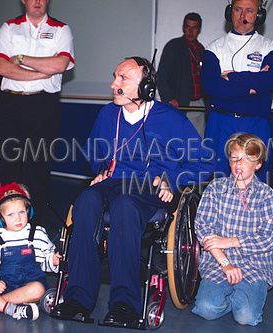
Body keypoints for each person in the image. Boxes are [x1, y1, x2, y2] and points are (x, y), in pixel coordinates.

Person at [50, 57, 214, 326]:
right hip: (115, 181)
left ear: (147, 86)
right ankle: (77, 299)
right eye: (115, 76)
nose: (114, 84)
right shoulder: (108, 115)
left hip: (148, 188)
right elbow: (93, 155)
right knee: (87, 199)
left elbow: (204, 163)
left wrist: (170, 179)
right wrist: (102, 168)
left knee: (125, 206)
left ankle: (124, 304)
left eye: (123, 79)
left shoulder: (169, 119)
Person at [0, 0, 75, 227]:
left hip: (43, 106)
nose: (37, 1)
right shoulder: (9, 27)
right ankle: (1, 226)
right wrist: (40, 73)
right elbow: (0, 67)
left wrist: (20, 59)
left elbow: (60, 64)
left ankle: (35, 227)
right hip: (10, 104)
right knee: (6, 166)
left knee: (37, 168)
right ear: (23, 0)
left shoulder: (61, 29)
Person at [192, 133, 273, 326]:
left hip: (255, 265)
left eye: (248, 159)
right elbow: (203, 229)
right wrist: (225, 263)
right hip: (218, 262)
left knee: (246, 317)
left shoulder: (266, 195)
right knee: (205, 309)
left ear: (258, 164)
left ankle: (247, 294)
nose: (239, 163)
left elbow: (270, 238)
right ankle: (233, 295)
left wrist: (230, 240)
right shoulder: (215, 188)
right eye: (235, 158)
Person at [201, 0, 273, 180]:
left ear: (259, 15)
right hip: (221, 122)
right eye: (238, 10)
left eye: (249, 11)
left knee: (256, 180)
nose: (243, 16)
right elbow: (211, 86)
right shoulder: (214, 48)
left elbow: (271, 81)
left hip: (256, 123)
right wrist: (253, 86)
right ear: (230, 12)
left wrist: (232, 78)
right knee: (218, 178)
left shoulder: (269, 47)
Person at [0, 182, 60, 321]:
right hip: (2, 286)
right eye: (10, 215)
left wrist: (53, 260)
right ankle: (12, 308)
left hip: (27, 287)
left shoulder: (37, 233)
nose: (18, 218)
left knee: (38, 289)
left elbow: (45, 260)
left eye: (21, 212)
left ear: (28, 211)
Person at [157, 12, 206, 137]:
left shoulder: (202, 50)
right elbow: (161, 76)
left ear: (199, 29)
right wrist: (169, 98)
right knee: (181, 140)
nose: (190, 31)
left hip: (200, 103)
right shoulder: (173, 46)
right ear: (183, 27)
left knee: (199, 140)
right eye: (187, 26)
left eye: (194, 27)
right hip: (181, 103)